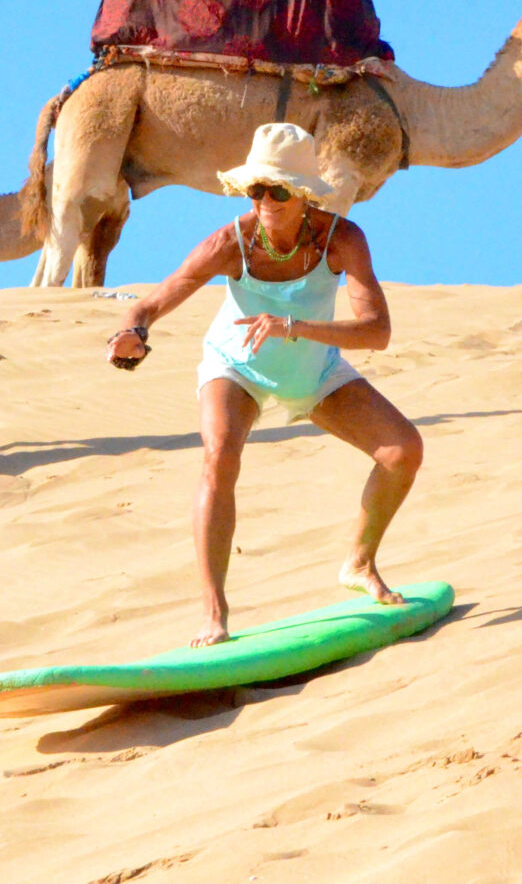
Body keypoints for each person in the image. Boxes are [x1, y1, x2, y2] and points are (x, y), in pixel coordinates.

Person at [104, 123, 425, 647]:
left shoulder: (342, 239)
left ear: (301, 193)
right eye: (256, 189)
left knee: (403, 452)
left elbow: (378, 333)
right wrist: (130, 334)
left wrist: (295, 328)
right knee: (220, 455)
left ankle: (359, 563)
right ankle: (214, 611)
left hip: (315, 371)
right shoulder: (229, 243)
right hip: (237, 368)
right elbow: (151, 302)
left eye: (278, 190)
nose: (266, 201)